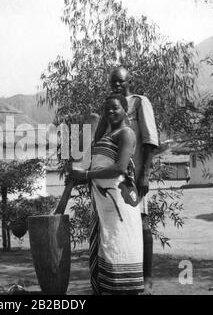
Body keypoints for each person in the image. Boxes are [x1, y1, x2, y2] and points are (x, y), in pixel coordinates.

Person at [70, 94, 144, 295]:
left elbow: (120, 168)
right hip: (105, 205)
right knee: (107, 246)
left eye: (115, 108)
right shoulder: (106, 135)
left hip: (118, 204)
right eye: (107, 109)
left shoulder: (126, 134)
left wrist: (86, 174)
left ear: (125, 109)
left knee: (119, 244)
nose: (110, 112)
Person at [94, 66, 159, 294]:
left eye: (120, 82)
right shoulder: (111, 105)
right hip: (112, 180)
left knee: (142, 222)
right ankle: (120, 276)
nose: (117, 85)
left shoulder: (140, 102)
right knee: (119, 227)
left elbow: (150, 140)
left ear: (128, 80)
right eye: (113, 83)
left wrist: (145, 174)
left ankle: (147, 277)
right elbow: (98, 138)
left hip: (133, 174)